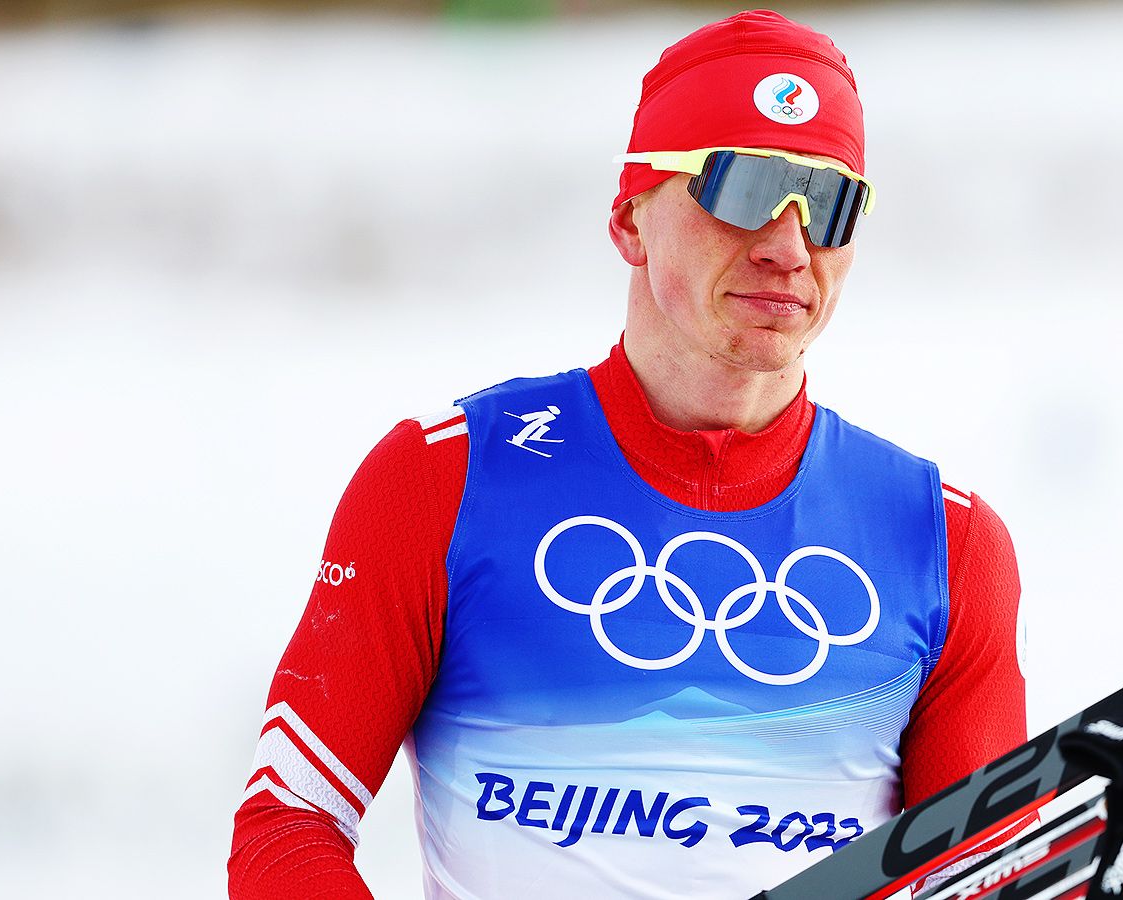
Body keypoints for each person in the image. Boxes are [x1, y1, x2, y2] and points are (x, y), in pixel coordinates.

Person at [228, 10, 1026, 899]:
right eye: (743, 188)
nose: (788, 247)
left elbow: (985, 880)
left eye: (830, 202)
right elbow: (288, 824)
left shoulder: (944, 542)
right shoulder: (445, 480)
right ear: (631, 221)